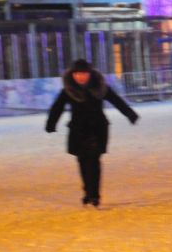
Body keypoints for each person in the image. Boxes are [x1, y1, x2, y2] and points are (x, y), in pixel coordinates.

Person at [45, 57, 139, 206]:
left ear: (89, 74)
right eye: (77, 74)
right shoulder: (68, 91)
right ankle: (88, 191)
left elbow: (116, 100)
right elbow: (57, 107)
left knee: (94, 161)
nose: (80, 77)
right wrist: (51, 123)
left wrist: (130, 114)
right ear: (72, 75)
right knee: (82, 161)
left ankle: (94, 195)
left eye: (83, 73)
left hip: (98, 129)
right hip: (78, 130)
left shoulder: (100, 87)